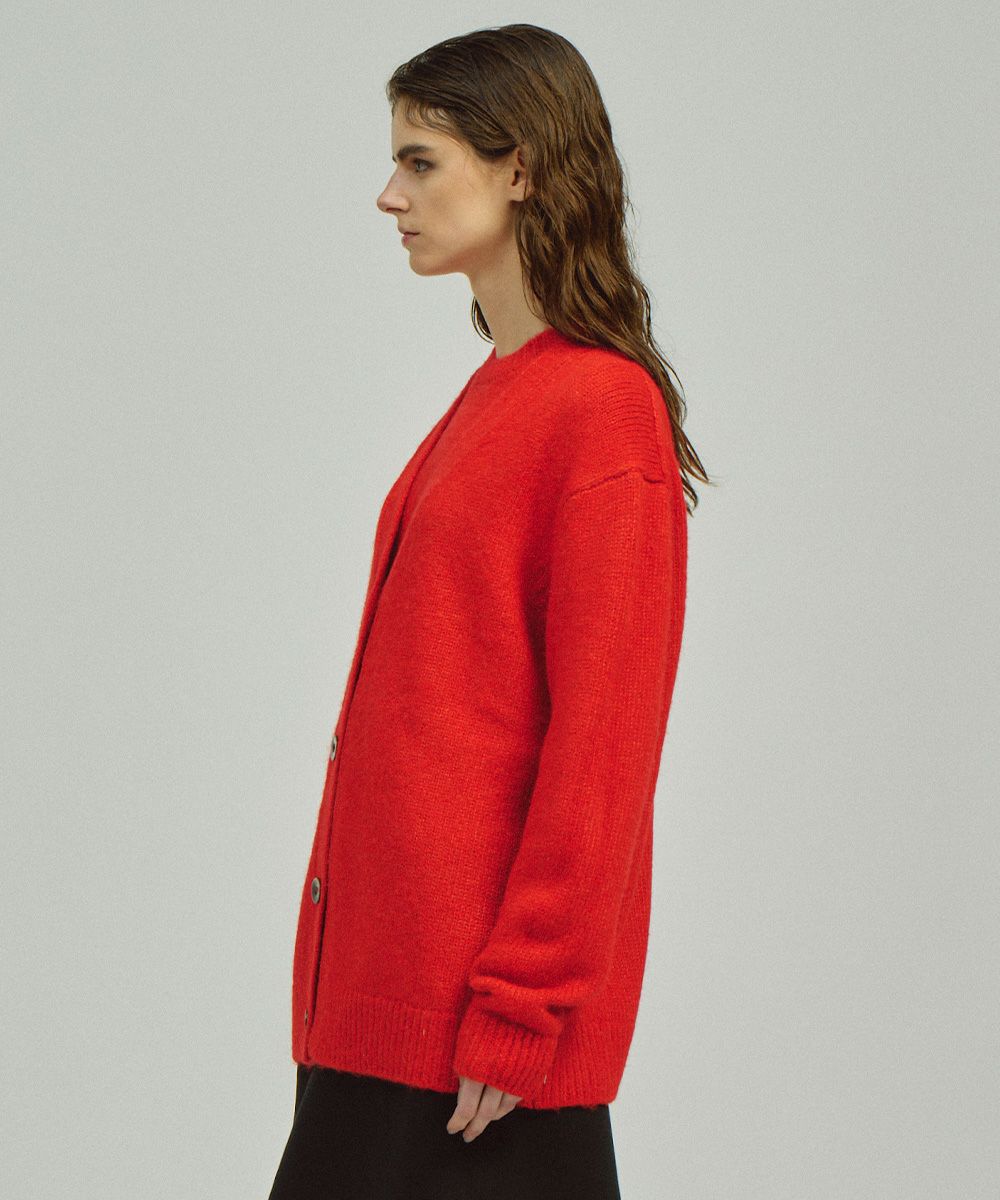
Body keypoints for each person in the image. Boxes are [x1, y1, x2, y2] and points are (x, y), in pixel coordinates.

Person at [268, 21, 710, 1200]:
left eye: (420, 161)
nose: (390, 195)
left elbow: (603, 743)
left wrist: (523, 1007)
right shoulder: (499, 394)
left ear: (520, 168)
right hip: (390, 1016)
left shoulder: (599, 411)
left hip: (473, 1045)